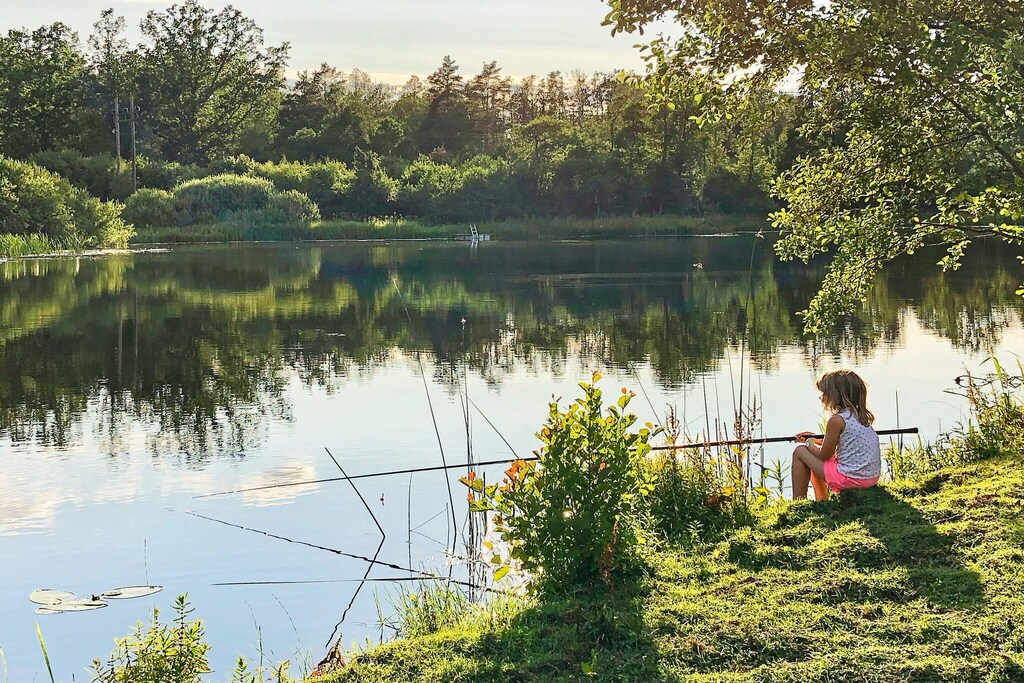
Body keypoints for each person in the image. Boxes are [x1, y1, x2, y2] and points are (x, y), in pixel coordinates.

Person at [792, 369, 881, 500]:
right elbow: (845, 444)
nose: (820, 397)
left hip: (850, 479)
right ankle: (821, 500)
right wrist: (815, 439)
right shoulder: (860, 417)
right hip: (870, 478)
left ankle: (799, 501)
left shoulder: (837, 420)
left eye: (823, 393)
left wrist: (808, 442)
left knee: (800, 452)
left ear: (835, 395)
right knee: (815, 457)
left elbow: (824, 455)